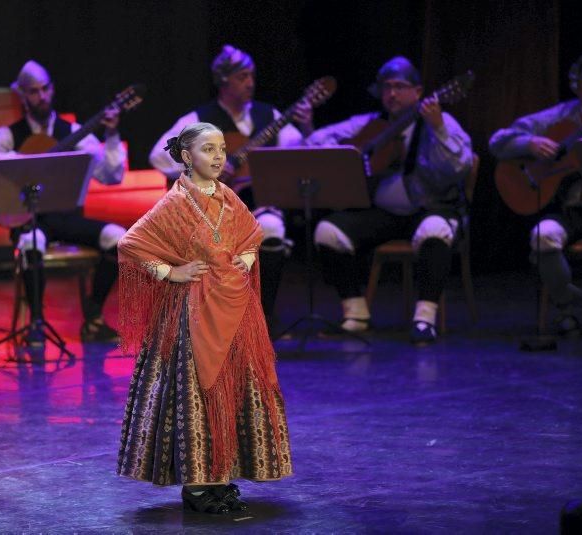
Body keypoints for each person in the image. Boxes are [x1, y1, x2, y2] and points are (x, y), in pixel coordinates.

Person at [117, 123, 291, 513]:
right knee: (194, 397)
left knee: (235, 391)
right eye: (208, 150)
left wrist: (242, 261)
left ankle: (221, 477)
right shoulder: (175, 203)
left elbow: (251, 235)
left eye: (222, 149)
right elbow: (131, 242)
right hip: (191, 316)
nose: (217, 157)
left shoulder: (228, 197)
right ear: (185, 156)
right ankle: (197, 485)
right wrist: (171, 272)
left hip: (233, 308)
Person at [306, 56, 473, 344]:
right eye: (386, 87)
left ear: (418, 92)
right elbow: (316, 141)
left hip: (430, 208)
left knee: (434, 230)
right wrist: (348, 151)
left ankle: (424, 318)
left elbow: (461, 165)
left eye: (399, 86)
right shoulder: (371, 123)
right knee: (328, 232)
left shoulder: (439, 122)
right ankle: (356, 311)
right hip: (384, 214)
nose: (391, 94)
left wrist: (438, 128)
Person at [149, 44, 313, 331]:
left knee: (273, 229)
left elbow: (301, 152)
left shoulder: (269, 115)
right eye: (242, 76)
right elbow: (159, 154)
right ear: (224, 82)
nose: (250, 82)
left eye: (251, 75)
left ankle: (263, 317)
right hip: (213, 207)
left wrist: (308, 125)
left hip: (257, 202)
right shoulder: (199, 119)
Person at [0, 60, 127, 343]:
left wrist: (111, 134)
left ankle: (94, 315)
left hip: (68, 218)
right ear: (23, 96)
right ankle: (36, 323)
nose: (42, 96)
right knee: (31, 243)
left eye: (45, 89)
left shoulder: (73, 132)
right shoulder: (9, 135)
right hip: (31, 221)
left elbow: (111, 176)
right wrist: (20, 162)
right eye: (34, 91)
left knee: (121, 240)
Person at [490, 49, 582, 337]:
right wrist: (530, 144)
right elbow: (498, 141)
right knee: (543, 236)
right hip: (570, 210)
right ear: (578, 87)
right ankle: (565, 310)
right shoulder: (560, 116)